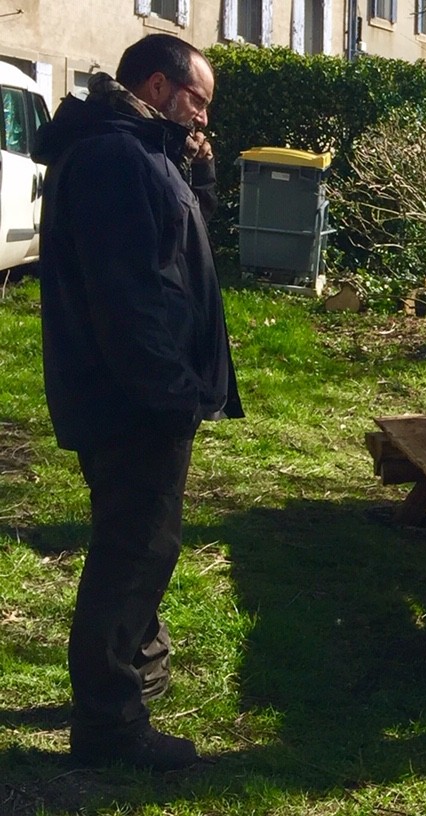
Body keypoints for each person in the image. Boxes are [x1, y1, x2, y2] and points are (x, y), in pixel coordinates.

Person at [34, 33, 242, 770]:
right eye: (197, 100)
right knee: (133, 553)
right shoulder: (117, 158)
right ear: (157, 87)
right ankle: (110, 726)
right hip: (131, 397)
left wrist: (199, 171)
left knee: (137, 545)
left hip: (128, 391)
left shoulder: (137, 149)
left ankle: (132, 677)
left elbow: (182, 245)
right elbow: (131, 294)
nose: (202, 117)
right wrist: (170, 393)